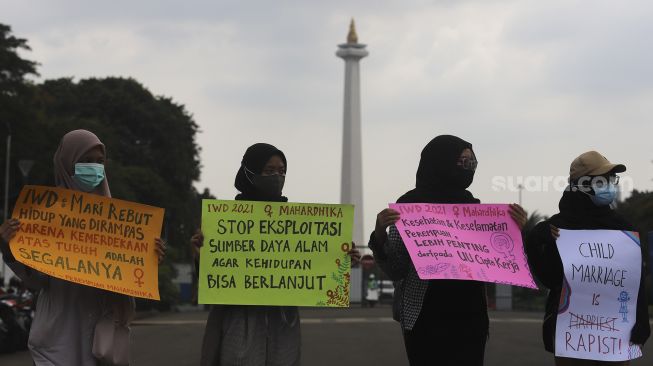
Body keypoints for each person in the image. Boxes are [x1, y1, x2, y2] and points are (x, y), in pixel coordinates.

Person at [0, 129, 166, 366]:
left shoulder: (119, 221)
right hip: (55, 339)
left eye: (99, 162)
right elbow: (36, 281)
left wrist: (147, 260)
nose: (94, 168)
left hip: (99, 342)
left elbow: (126, 285)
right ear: (66, 163)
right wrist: (8, 248)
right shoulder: (43, 217)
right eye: (86, 161)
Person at [191, 142, 361, 366]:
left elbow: (312, 265)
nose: (277, 177)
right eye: (269, 171)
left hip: (282, 322)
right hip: (239, 320)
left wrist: (341, 259)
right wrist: (198, 254)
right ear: (249, 173)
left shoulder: (295, 223)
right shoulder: (224, 223)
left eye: (282, 171)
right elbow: (215, 275)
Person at [368, 135, 527, 366]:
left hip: (471, 319)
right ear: (440, 162)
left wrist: (515, 232)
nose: (469, 168)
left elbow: (498, 264)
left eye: (472, 163)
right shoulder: (409, 208)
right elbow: (396, 269)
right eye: (463, 162)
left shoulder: (475, 209)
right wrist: (380, 233)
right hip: (423, 320)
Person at [525, 151, 650, 366]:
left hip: (616, 340)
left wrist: (641, 322)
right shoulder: (557, 229)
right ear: (581, 184)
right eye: (602, 180)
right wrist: (536, 243)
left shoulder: (624, 230)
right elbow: (551, 279)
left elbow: (634, 283)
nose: (609, 185)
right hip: (573, 339)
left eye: (611, 179)